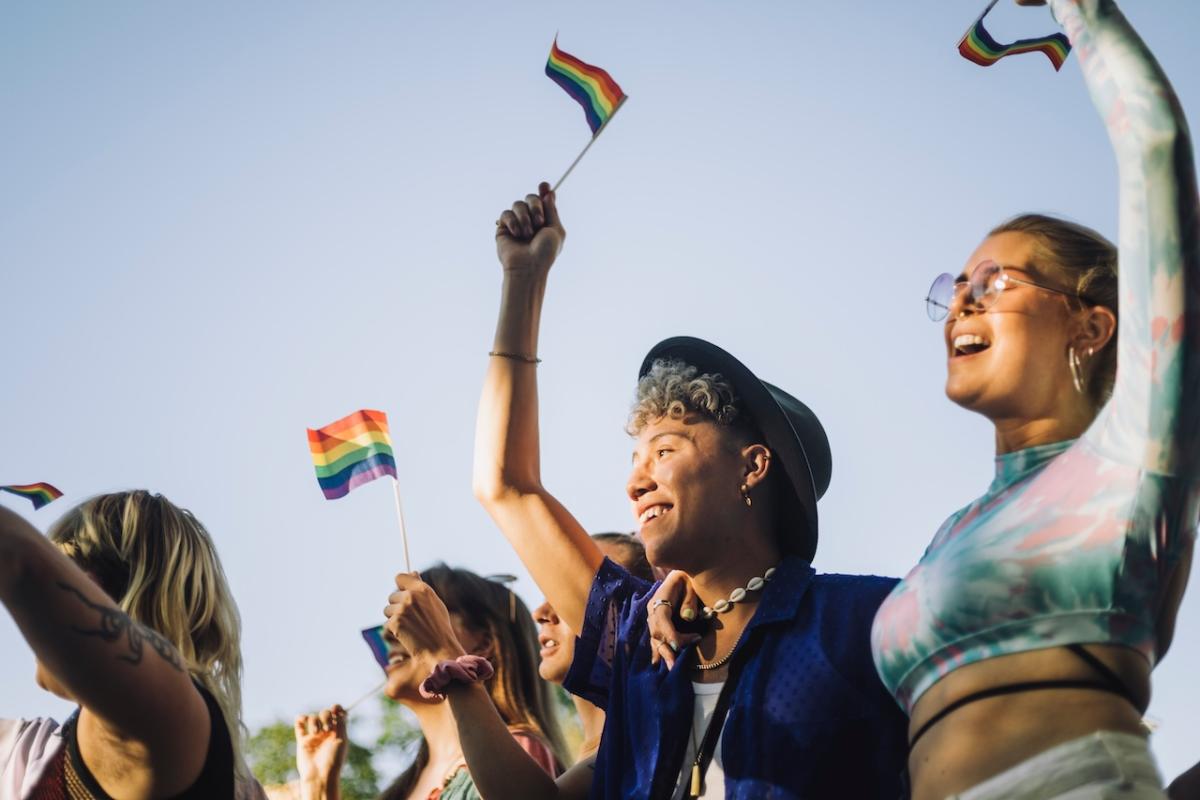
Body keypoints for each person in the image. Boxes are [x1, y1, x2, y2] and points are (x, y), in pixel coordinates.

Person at [473, 183, 908, 797]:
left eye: (665, 450)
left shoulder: (866, 621)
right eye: (634, 457)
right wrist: (523, 277)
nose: (635, 479)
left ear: (752, 468)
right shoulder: (638, 648)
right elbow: (507, 487)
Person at [869, 1, 1199, 797]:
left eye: (995, 285)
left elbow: (1155, 150)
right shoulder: (953, 533)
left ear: (1090, 325)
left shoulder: (1132, 455)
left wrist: (1079, 8)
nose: (961, 306)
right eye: (955, 290)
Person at [0, 492, 266, 799]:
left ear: (91, 586)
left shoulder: (173, 718)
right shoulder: (26, 749)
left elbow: (20, 561)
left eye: (64, 566)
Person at [376, 533, 654, 800]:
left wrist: (443, 655)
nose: (541, 612)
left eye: (583, 590)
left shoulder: (648, 738)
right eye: (547, 591)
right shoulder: (598, 759)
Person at [295, 565, 567, 800]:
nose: (392, 631)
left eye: (422, 613)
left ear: (484, 642)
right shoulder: (403, 787)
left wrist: (443, 655)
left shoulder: (518, 754)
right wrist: (320, 789)